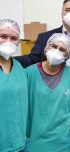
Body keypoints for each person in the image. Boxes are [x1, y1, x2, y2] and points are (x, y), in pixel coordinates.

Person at [15, 0, 70, 152]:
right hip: (50, 104)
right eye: (68, 10)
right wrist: (9, 59)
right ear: (62, 13)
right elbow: (32, 58)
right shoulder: (46, 37)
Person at [25, 33, 70, 152]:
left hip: (63, 139)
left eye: (62, 49)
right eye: (53, 46)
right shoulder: (30, 73)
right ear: (47, 47)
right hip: (36, 138)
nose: (57, 51)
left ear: (67, 55)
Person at [0, 19, 28, 152]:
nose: (8, 42)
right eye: (3, 36)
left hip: (17, 141)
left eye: (13, 38)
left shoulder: (20, 69)